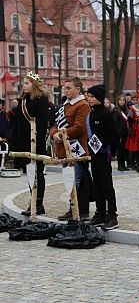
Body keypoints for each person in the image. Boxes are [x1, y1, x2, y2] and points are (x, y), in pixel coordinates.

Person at [50, 77, 92, 221]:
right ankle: (74, 207)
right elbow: (56, 123)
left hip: (77, 148)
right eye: (65, 88)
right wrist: (54, 133)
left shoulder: (82, 105)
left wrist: (61, 134)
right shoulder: (65, 105)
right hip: (64, 147)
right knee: (70, 179)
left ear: (78, 90)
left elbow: (79, 127)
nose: (65, 90)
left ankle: (78, 209)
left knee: (78, 180)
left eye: (68, 88)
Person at [10, 72, 50, 216]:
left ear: (34, 85)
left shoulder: (41, 100)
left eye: (27, 83)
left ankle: (38, 203)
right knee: (29, 172)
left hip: (35, 142)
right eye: (24, 83)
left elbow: (42, 124)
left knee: (38, 172)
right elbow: (17, 123)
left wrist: (39, 144)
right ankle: (33, 200)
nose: (24, 86)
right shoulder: (23, 100)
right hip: (23, 142)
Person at [86, 84, 120, 230]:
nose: (89, 98)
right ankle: (100, 212)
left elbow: (115, 135)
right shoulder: (91, 114)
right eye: (89, 96)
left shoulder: (106, 114)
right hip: (93, 156)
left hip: (104, 155)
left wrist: (112, 152)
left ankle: (112, 215)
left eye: (92, 96)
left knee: (107, 186)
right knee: (97, 185)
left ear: (99, 98)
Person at [111, 95, 130, 171]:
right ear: (117, 101)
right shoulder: (115, 111)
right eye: (120, 100)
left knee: (125, 150)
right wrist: (117, 134)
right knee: (120, 150)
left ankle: (123, 164)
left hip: (125, 133)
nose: (122, 102)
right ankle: (120, 165)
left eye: (123, 100)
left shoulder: (126, 110)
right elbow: (114, 123)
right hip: (119, 133)